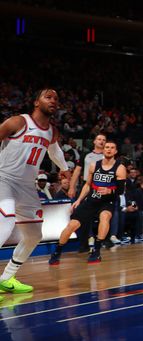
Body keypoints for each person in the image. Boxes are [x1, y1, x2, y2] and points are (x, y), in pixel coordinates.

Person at [0, 89, 69, 292]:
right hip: (4, 179)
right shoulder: (18, 122)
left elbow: (54, 151)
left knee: (33, 234)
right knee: (6, 220)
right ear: (36, 102)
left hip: (26, 187)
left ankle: (6, 278)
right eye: (48, 97)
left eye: (56, 98)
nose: (53, 101)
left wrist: (64, 169)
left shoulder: (52, 131)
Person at [49, 140, 126, 265]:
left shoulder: (120, 168)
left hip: (107, 202)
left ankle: (96, 250)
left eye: (112, 148)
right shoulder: (94, 165)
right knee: (72, 225)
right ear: (103, 149)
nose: (109, 149)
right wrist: (79, 200)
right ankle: (57, 252)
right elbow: (88, 185)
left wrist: (109, 191)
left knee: (105, 217)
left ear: (115, 151)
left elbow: (121, 190)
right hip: (92, 200)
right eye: (107, 147)